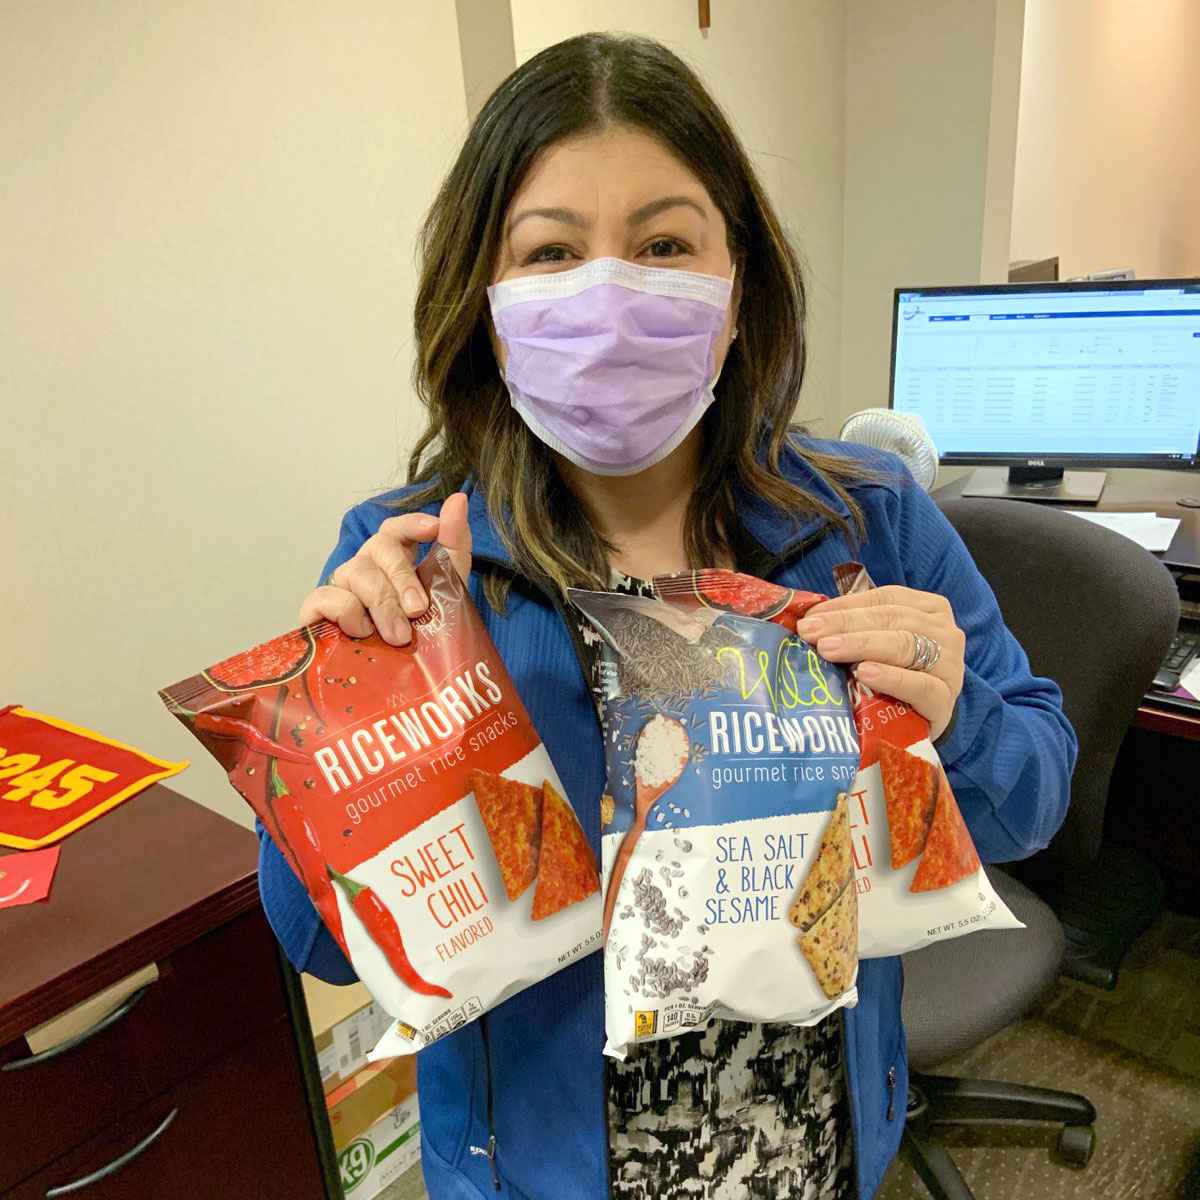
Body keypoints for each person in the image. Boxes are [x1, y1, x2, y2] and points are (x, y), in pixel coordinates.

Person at [258, 32, 1075, 1200]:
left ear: (734, 288)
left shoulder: (867, 520)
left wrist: (959, 719)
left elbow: (1036, 794)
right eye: (549, 253)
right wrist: (338, 730)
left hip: (819, 1151)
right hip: (539, 1175)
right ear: (489, 313)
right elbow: (324, 946)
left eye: (662, 244)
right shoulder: (409, 571)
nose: (608, 294)